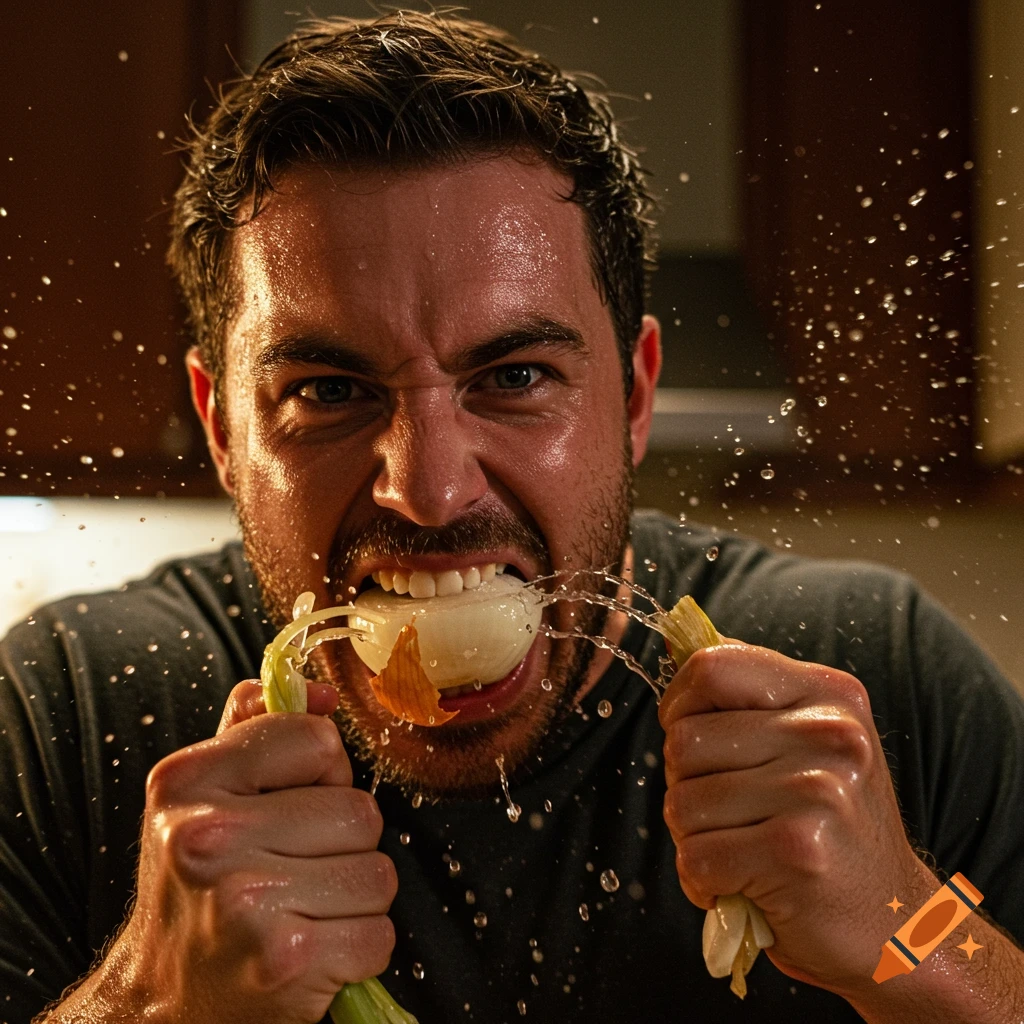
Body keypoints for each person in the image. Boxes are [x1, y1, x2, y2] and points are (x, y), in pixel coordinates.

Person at [1, 10, 1023, 1023]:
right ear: (223, 430)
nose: (431, 490)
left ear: (631, 397)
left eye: (516, 374)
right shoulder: (68, 715)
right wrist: (152, 1001)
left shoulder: (878, 679)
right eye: (326, 390)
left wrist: (905, 929)